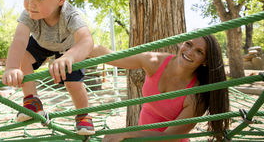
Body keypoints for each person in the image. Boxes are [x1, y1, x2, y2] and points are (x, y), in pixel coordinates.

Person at [2, 0, 95, 135]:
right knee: (24, 57)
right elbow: (19, 40)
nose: (30, 3)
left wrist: (69, 56)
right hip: (41, 43)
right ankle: (32, 100)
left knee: (72, 84)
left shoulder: (70, 15)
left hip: (68, 48)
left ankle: (83, 115)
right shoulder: (29, 13)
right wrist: (12, 67)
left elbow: (86, 41)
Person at [90, 35, 229, 142]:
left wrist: (128, 132)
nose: (190, 52)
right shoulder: (155, 62)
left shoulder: (197, 94)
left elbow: (169, 137)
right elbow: (113, 56)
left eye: (199, 51)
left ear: (205, 61)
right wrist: (80, 48)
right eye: (188, 44)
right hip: (141, 138)